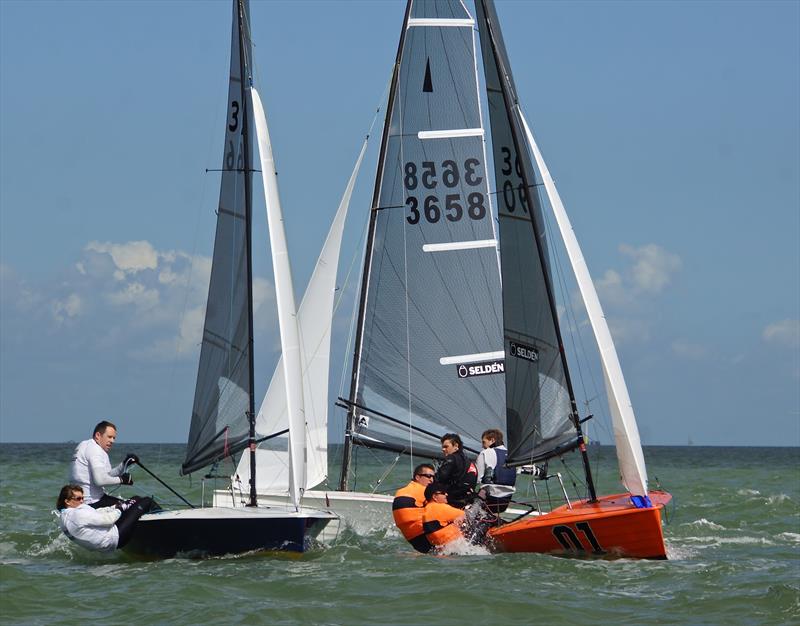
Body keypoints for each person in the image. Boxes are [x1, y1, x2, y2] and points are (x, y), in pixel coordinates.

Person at [56, 484, 153, 551]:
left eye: (82, 498)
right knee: (145, 500)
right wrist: (120, 509)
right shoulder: (77, 515)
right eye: (78, 499)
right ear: (67, 501)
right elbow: (108, 520)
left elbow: (94, 514)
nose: (82, 501)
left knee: (134, 500)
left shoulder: (63, 517)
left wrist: (113, 507)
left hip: (107, 544)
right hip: (117, 537)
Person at [69, 420, 139, 508]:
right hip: (92, 502)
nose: (112, 441)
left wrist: (124, 464)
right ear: (98, 435)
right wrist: (122, 480)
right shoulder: (95, 450)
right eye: (109, 437)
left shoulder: (84, 445)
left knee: (129, 502)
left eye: (114, 438)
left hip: (79, 501)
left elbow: (107, 475)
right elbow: (100, 480)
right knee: (138, 503)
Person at [392, 463, 436, 553]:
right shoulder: (425, 492)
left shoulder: (400, 491)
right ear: (417, 477)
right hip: (427, 537)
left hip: (413, 540)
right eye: (428, 476)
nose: (431, 480)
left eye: (433, 477)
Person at [475, 428, 517, 514]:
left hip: (490, 498)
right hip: (506, 500)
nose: (482, 446)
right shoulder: (512, 454)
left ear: (492, 440)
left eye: (484, 442)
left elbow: (477, 478)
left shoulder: (485, 453)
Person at [435, 433, 477, 508]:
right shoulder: (470, 462)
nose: (443, 449)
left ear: (456, 446)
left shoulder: (451, 458)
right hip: (469, 501)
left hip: (452, 500)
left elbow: (440, 477)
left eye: (446, 446)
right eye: (442, 447)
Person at [421, 482, 466, 549]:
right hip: (457, 547)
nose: (446, 494)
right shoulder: (439, 507)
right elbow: (465, 514)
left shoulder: (427, 509)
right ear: (434, 497)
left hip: (442, 549)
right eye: (443, 493)